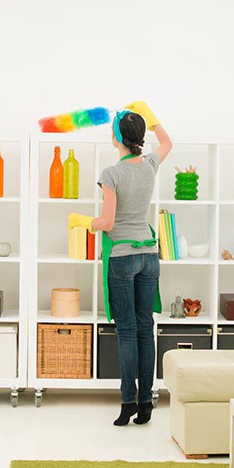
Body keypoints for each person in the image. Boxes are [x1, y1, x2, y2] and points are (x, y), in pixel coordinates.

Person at [88, 101, 172, 426]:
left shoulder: (111, 174)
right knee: (145, 328)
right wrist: (151, 116)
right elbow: (167, 142)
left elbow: (108, 223)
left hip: (122, 258)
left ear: (116, 139)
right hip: (149, 255)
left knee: (126, 330)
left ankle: (127, 403)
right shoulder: (150, 163)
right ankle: (146, 402)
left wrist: (86, 222)